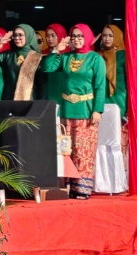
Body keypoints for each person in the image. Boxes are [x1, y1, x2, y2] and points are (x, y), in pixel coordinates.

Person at [41, 24, 105, 199]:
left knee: (83, 151)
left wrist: (97, 110)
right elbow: (47, 68)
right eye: (74, 36)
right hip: (66, 110)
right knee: (66, 149)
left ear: (87, 37)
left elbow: (100, 86)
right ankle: (67, 186)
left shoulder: (95, 59)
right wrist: (56, 50)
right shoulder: (66, 57)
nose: (77, 39)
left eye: (80, 36)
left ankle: (82, 188)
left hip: (86, 110)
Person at [0, 25, 41, 100]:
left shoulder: (37, 57)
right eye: (15, 35)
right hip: (9, 101)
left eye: (20, 35)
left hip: (30, 101)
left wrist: (41, 104)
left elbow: (42, 84)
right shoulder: (7, 55)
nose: (17, 38)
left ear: (28, 35)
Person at [97, 24, 127, 117]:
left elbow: (131, 82)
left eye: (110, 35)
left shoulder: (123, 55)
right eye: (104, 35)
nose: (107, 39)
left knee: (118, 123)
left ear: (117, 36)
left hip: (119, 96)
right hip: (101, 96)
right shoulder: (98, 55)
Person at [38, 24, 69, 105]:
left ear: (60, 35)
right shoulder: (43, 54)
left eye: (53, 35)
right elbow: (45, 68)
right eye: (47, 36)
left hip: (65, 95)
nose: (50, 39)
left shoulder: (68, 55)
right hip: (47, 95)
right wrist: (55, 51)